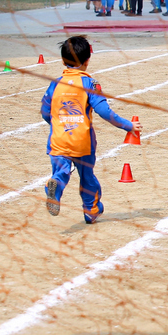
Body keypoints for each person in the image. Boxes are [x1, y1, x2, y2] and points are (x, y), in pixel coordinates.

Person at [42, 36, 142, 224]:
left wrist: (59, 123)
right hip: (82, 141)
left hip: (58, 139)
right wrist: (128, 125)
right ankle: (91, 210)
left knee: (61, 171)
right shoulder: (90, 84)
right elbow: (104, 111)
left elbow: (46, 112)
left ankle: (53, 186)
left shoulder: (55, 84)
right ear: (87, 60)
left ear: (63, 60)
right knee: (87, 176)